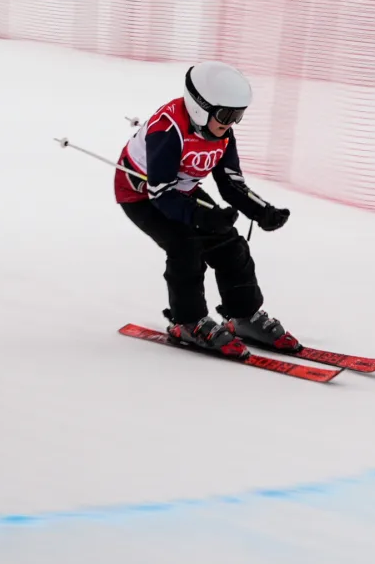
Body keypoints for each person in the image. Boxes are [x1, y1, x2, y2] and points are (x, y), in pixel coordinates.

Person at [115, 61, 297, 358]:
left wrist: (261, 211)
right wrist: (203, 217)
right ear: (201, 107)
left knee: (230, 243)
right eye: (227, 114)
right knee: (185, 246)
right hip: (141, 196)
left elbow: (230, 182)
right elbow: (160, 193)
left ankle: (244, 316)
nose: (232, 122)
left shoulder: (221, 133)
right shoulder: (167, 129)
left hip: (182, 191)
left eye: (239, 114)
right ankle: (187, 321)